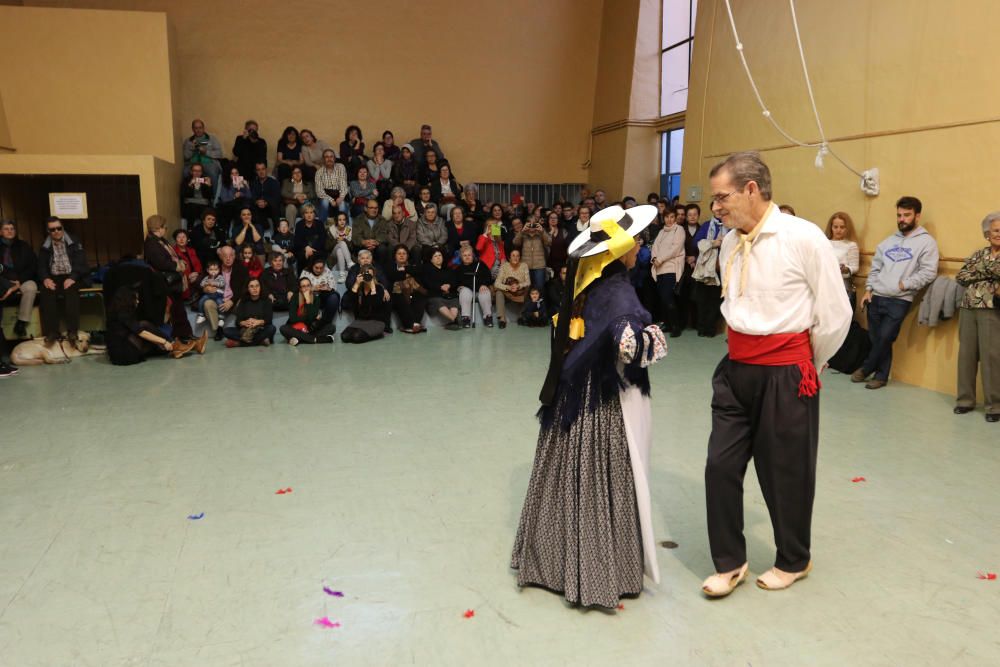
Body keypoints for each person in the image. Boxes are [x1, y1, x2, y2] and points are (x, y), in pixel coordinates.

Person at [700, 152, 851, 598]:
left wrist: (807, 363)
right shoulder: (730, 241)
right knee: (719, 465)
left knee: (786, 470)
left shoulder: (802, 237)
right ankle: (730, 561)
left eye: (721, 197)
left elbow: (836, 315)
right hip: (735, 369)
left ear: (751, 189)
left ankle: (794, 559)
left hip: (787, 371)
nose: (717, 208)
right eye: (713, 200)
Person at [512, 203, 665, 608]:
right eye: (635, 242)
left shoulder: (586, 282)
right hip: (600, 398)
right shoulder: (620, 290)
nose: (639, 247)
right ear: (621, 250)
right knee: (600, 475)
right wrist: (655, 340)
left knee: (567, 474)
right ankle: (596, 571)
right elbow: (628, 345)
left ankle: (556, 561)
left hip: (570, 392)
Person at [854, 196, 939, 390]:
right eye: (899, 215)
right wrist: (868, 290)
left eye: (906, 215)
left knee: (885, 337)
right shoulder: (888, 242)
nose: (902, 219)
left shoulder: (927, 243)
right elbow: (875, 269)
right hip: (877, 296)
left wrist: (904, 285)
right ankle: (881, 377)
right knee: (877, 339)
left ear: (917, 216)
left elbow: (928, 272)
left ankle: (866, 368)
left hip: (900, 299)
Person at [954, 212, 1000, 422]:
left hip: (992, 309)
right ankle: (965, 401)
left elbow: (976, 273)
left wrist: (981, 272)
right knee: (966, 356)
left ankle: (994, 406)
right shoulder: (978, 254)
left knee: (992, 358)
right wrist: (990, 274)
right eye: (996, 230)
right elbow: (961, 276)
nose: (999, 234)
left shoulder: (979, 261)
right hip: (968, 307)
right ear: (987, 234)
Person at [105, 286, 206, 365]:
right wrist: (164, 341)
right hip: (124, 354)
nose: (138, 301)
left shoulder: (117, 311)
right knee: (145, 327)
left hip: (121, 349)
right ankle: (178, 346)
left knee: (154, 339)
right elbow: (142, 332)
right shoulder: (123, 314)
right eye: (135, 298)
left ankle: (183, 346)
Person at [142, 215, 196, 343]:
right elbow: (161, 263)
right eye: (164, 227)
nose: (165, 229)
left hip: (172, 283)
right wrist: (178, 266)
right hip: (165, 283)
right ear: (158, 228)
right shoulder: (152, 244)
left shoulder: (159, 241)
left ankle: (185, 336)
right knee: (176, 311)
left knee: (179, 310)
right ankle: (183, 337)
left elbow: (173, 256)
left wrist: (181, 261)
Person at [691, 204, 727, 337]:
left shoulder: (731, 226)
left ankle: (710, 329)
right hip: (705, 269)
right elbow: (695, 243)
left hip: (721, 268)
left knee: (716, 300)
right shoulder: (707, 225)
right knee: (702, 300)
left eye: (720, 209)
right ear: (712, 210)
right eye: (715, 209)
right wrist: (713, 243)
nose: (718, 211)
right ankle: (701, 328)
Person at [0, 219, 39, 339]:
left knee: (31, 287)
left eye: (12, 229)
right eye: (6, 229)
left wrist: (19, 281)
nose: (10, 231)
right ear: (0, 231)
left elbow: (33, 266)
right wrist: (8, 282)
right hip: (3, 281)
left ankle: (21, 323)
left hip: (21, 279)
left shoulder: (23, 245)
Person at [650, 208, 686, 336]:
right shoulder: (661, 232)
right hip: (659, 268)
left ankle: (676, 326)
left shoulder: (679, 230)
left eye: (672, 217)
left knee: (668, 297)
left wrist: (660, 259)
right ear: (663, 218)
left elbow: (675, 249)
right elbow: (655, 247)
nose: (669, 220)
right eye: (666, 217)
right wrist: (654, 258)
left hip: (671, 268)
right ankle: (668, 324)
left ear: (675, 218)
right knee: (663, 298)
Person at [202, 245, 249, 341]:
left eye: (231, 255)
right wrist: (205, 288)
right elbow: (201, 280)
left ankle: (244, 329)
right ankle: (218, 329)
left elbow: (244, 288)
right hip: (218, 298)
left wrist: (232, 300)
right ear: (220, 256)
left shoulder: (241, 268)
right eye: (225, 256)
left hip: (235, 300)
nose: (228, 258)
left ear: (234, 256)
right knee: (208, 303)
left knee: (245, 302)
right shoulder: (214, 267)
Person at [341, 263, 392, 342]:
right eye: (365, 275)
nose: (367, 277)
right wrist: (356, 284)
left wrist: (373, 289)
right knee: (344, 336)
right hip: (361, 321)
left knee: (357, 337)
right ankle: (369, 332)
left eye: (370, 275)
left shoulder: (379, 288)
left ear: (374, 276)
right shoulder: (359, 289)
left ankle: (379, 333)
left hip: (377, 321)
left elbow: (375, 305)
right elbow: (351, 303)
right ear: (360, 276)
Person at [385, 245, 427, 333]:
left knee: (420, 296)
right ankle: (409, 325)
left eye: (404, 253)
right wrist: (408, 273)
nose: (401, 255)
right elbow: (393, 276)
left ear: (407, 255)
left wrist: (404, 269)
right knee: (401, 297)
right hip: (395, 292)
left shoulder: (412, 264)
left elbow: (419, 271)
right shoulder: (390, 265)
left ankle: (416, 323)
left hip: (413, 290)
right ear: (395, 256)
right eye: (399, 253)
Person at [280, 277, 335, 345]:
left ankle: (299, 339)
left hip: (311, 329)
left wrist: (308, 301)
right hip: (296, 328)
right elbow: (292, 319)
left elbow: (312, 318)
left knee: (331, 327)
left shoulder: (316, 299)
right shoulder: (294, 298)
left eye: (308, 285)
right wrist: (309, 317)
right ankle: (316, 339)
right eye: (303, 286)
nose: (306, 288)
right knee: (283, 328)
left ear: (311, 286)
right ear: (300, 289)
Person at [222, 278, 275, 348]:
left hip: (260, 329)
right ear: (248, 289)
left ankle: (239, 344)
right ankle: (260, 341)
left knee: (271, 328)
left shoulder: (266, 300)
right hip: (246, 330)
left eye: (257, 286)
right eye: (252, 286)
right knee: (226, 331)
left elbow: (269, 319)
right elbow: (238, 321)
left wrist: (258, 322)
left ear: (260, 287)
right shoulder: (243, 301)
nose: (255, 288)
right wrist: (243, 323)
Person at [824, 212, 861, 312]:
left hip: (842, 286)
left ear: (847, 228)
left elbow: (854, 267)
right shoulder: (824, 242)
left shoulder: (851, 245)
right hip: (824, 285)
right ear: (831, 227)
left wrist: (845, 269)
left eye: (842, 227)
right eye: (835, 227)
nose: (838, 230)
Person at [420, 248, 460, 329]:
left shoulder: (449, 269)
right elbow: (427, 283)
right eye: (435, 256)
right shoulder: (427, 269)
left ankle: (452, 321)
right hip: (435, 295)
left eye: (440, 255)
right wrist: (440, 287)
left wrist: (449, 285)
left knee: (455, 299)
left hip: (449, 295)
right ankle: (454, 320)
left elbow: (455, 281)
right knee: (437, 301)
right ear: (431, 260)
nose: (438, 257)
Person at [455, 245, 493, 328]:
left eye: (469, 255)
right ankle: (466, 318)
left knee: (485, 292)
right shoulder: (458, 269)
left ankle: (488, 317)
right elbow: (457, 282)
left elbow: (488, 277)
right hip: (467, 290)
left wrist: (483, 284)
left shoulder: (480, 265)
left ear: (473, 256)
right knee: (465, 292)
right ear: (461, 257)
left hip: (480, 289)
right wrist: (458, 287)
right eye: (465, 255)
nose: (467, 257)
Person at [300, 257, 340, 331]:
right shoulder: (305, 272)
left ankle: (324, 322)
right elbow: (301, 288)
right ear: (312, 265)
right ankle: (310, 324)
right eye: (316, 268)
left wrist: (327, 288)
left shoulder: (327, 271)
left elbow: (333, 286)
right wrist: (313, 288)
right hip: (310, 296)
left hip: (324, 296)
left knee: (334, 297)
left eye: (321, 268)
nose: (319, 270)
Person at [493, 248, 528, 329]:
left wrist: (518, 286)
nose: (515, 258)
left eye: (517, 256)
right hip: (507, 291)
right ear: (509, 258)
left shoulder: (524, 266)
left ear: (520, 258)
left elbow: (527, 282)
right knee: (498, 292)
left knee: (528, 290)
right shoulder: (504, 267)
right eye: (513, 256)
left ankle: (521, 317)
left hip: (518, 291)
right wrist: (508, 287)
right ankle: (502, 319)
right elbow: (497, 283)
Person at [514, 215, 550, 290]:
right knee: (526, 289)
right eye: (530, 224)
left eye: (534, 224)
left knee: (540, 288)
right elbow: (515, 243)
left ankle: (540, 302)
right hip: (525, 266)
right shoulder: (523, 234)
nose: (532, 226)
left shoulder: (541, 233)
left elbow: (549, 242)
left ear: (537, 224)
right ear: (526, 224)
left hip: (539, 266)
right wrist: (522, 231)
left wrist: (543, 231)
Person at [352, 199, 393, 264]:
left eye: (376, 208)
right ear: (365, 208)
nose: (374, 210)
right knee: (356, 246)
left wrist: (376, 241)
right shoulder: (358, 220)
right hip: (362, 247)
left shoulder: (382, 220)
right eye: (371, 208)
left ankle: (380, 269)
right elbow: (355, 236)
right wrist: (363, 242)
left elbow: (384, 234)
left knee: (383, 248)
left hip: (377, 248)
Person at [314, 149, 349, 222]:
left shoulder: (341, 167)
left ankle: (344, 228)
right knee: (324, 202)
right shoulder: (319, 172)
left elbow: (343, 184)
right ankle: (321, 226)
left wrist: (341, 197)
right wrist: (331, 200)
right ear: (323, 159)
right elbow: (319, 191)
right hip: (326, 195)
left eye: (331, 156)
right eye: (326, 157)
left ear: (334, 158)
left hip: (339, 194)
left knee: (342, 204)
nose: (329, 159)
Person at [249, 162, 281, 234]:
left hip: (270, 207)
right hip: (258, 207)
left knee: (274, 205)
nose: (261, 172)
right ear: (256, 171)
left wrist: (266, 202)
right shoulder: (253, 183)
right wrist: (257, 202)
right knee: (251, 206)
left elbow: (277, 197)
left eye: (263, 169)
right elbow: (252, 196)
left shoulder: (274, 182)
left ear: (266, 170)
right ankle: (259, 233)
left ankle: (277, 234)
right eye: (258, 170)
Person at [171, 228, 201, 303]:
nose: (181, 239)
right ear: (175, 239)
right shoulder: (173, 252)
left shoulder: (191, 250)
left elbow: (198, 264)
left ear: (187, 239)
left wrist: (196, 273)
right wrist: (188, 276)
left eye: (184, 237)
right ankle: (193, 299)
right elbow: (175, 269)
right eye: (179, 237)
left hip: (194, 275)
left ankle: (196, 299)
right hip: (183, 277)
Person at [292, 203, 324, 271]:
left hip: (317, 249)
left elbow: (322, 240)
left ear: (314, 214)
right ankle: (302, 278)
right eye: (306, 213)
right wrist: (306, 247)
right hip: (303, 250)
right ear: (303, 215)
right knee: (301, 255)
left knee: (315, 255)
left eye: (311, 212)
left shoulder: (320, 224)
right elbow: (297, 240)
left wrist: (311, 249)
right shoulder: (299, 225)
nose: (309, 215)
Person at [327, 211, 354, 281]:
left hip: (347, 252)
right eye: (340, 220)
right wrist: (336, 241)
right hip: (333, 254)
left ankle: (342, 274)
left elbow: (352, 247)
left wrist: (344, 239)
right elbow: (327, 247)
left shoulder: (349, 229)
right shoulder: (332, 229)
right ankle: (349, 262)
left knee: (340, 250)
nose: (342, 222)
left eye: (344, 220)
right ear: (336, 221)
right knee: (341, 244)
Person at [196, 260, 225, 326]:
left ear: (219, 270)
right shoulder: (206, 278)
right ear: (207, 270)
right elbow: (201, 284)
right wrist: (206, 283)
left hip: (218, 294)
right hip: (209, 295)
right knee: (201, 300)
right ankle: (201, 315)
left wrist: (214, 283)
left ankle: (221, 318)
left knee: (221, 304)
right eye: (211, 269)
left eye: (216, 269)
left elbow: (222, 284)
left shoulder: (220, 277)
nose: (213, 271)